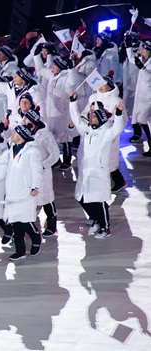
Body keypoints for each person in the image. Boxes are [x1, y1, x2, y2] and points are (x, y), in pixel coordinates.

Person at [69, 93, 125, 239]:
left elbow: (118, 128)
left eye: (93, 116)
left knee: (98, 201)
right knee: (82, 197)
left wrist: (118, 113)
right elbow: (76, 119)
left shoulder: (106, 133)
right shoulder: (87, 131)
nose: (90, 117)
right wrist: (72, 102)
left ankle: (105, 228)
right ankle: (96, 220)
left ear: (100, 119)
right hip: (85, 171)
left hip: (98, 172)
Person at [0, 125, 43, 261]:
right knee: (15, 223)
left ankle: (36, 238)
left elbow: (37, 170)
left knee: (25, 221)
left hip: (26, 192)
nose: (12, 134)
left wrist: (35, 186)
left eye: (15, 132)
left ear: (21, 135)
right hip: (12, 192)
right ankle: (20, 250)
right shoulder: (11, 149)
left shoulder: (32, 151)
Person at [21, 109, 60, 237]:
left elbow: (54, 155)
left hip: (43, 173)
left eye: (26, 118)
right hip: (29, 173)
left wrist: (41, 166)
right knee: (31, 199)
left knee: (46, 199)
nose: (23, 120)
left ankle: (52, 225)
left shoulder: (45, 136)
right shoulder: (26, 133)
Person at [130, 40, 151, 156]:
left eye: (143, 49)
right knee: (142, 120)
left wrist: (142, 68)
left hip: (148, 98)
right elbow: (131, 59)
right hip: (141, 96)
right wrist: (128, 46)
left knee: (144, 120)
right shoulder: (144, 61)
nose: (141, 51)